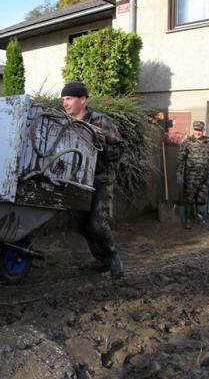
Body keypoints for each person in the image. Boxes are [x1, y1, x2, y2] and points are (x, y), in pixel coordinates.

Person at [61, 81, 125, 278]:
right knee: (79, 224)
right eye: (63, 99)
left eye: (69, 98)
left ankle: (112, 257)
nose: (65, 103)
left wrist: (98, 146)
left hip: (100, 180)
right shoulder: (65, 122)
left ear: (82, 99)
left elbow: (119, 149)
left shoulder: (101, 121)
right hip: (77, 181)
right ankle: (100, 259)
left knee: (98, 224)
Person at [176, 121, 209, 230]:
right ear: (193, 129)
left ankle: (202, 221)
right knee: (189, 199)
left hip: (204, 178)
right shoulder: (187, 142)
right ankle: (187, 220)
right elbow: (180, 159)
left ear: (203, 130)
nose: (198, 132)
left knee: (202, 200)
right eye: (196, 130)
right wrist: (179, 174)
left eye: (200, 130)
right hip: (191, 177)